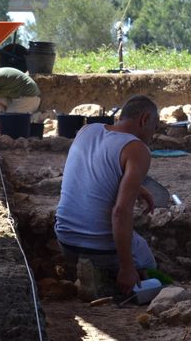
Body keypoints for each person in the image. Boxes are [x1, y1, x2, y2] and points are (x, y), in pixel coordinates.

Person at [54, 95, 160, 297]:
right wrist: (127, 267)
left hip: (65, 240)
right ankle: (110, 282)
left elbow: (93, 173)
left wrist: (137, 188)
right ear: (144, 119)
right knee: (146, 258)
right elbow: (120, 212)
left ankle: (87, 270)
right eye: (155, 127)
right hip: (98, 248)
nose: (153, 135)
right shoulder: (137, 149)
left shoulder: (87, 130)